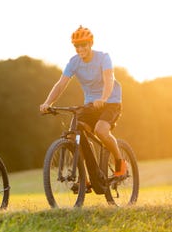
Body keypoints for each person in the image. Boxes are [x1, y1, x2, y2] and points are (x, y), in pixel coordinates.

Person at [39, 25, 127, 178]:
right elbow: (60, 84)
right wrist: (48, 103)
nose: (80, 49)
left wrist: (104, 98)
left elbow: (109, 79)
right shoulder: (74, 62)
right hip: (90, 104)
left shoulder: (103, 57)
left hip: (111, 100)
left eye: (84, 45)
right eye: (77, 46)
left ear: (91, 43)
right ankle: (84, 179)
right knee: (75, 135)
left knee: (101, 130)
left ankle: (120, 162)